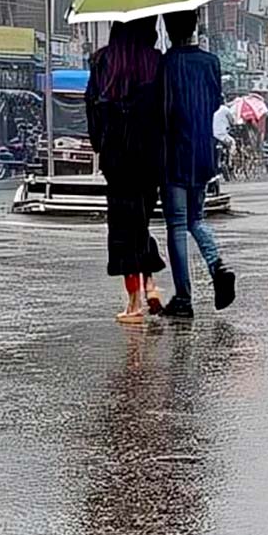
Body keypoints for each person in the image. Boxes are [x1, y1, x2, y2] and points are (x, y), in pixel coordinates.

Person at [86, 18, 167, 324]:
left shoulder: (103, 60)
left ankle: (134, 302)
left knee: (123, 227)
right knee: (140, 221)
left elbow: (91, 106)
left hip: (116, 156)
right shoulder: (156, 62)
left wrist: (100, 145)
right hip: (149, 156)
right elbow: (164, 110)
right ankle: (150, 284)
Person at [160, 9, 236, 318]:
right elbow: (216, 102)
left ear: (167, 28)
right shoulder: (211, 63)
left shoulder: (166, 64)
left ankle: (183, 298)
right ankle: (217, 267)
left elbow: (163, 110)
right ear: (194, 27)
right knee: (196, 218)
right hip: (203, 153)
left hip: (175, 155)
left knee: (177, 224)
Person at [213, 97, 238, 180]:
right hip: (222, 135)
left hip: (211, 135)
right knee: (233, 143)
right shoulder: (225, 109)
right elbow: (232, 121)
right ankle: (230, 163)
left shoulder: (211, 108)